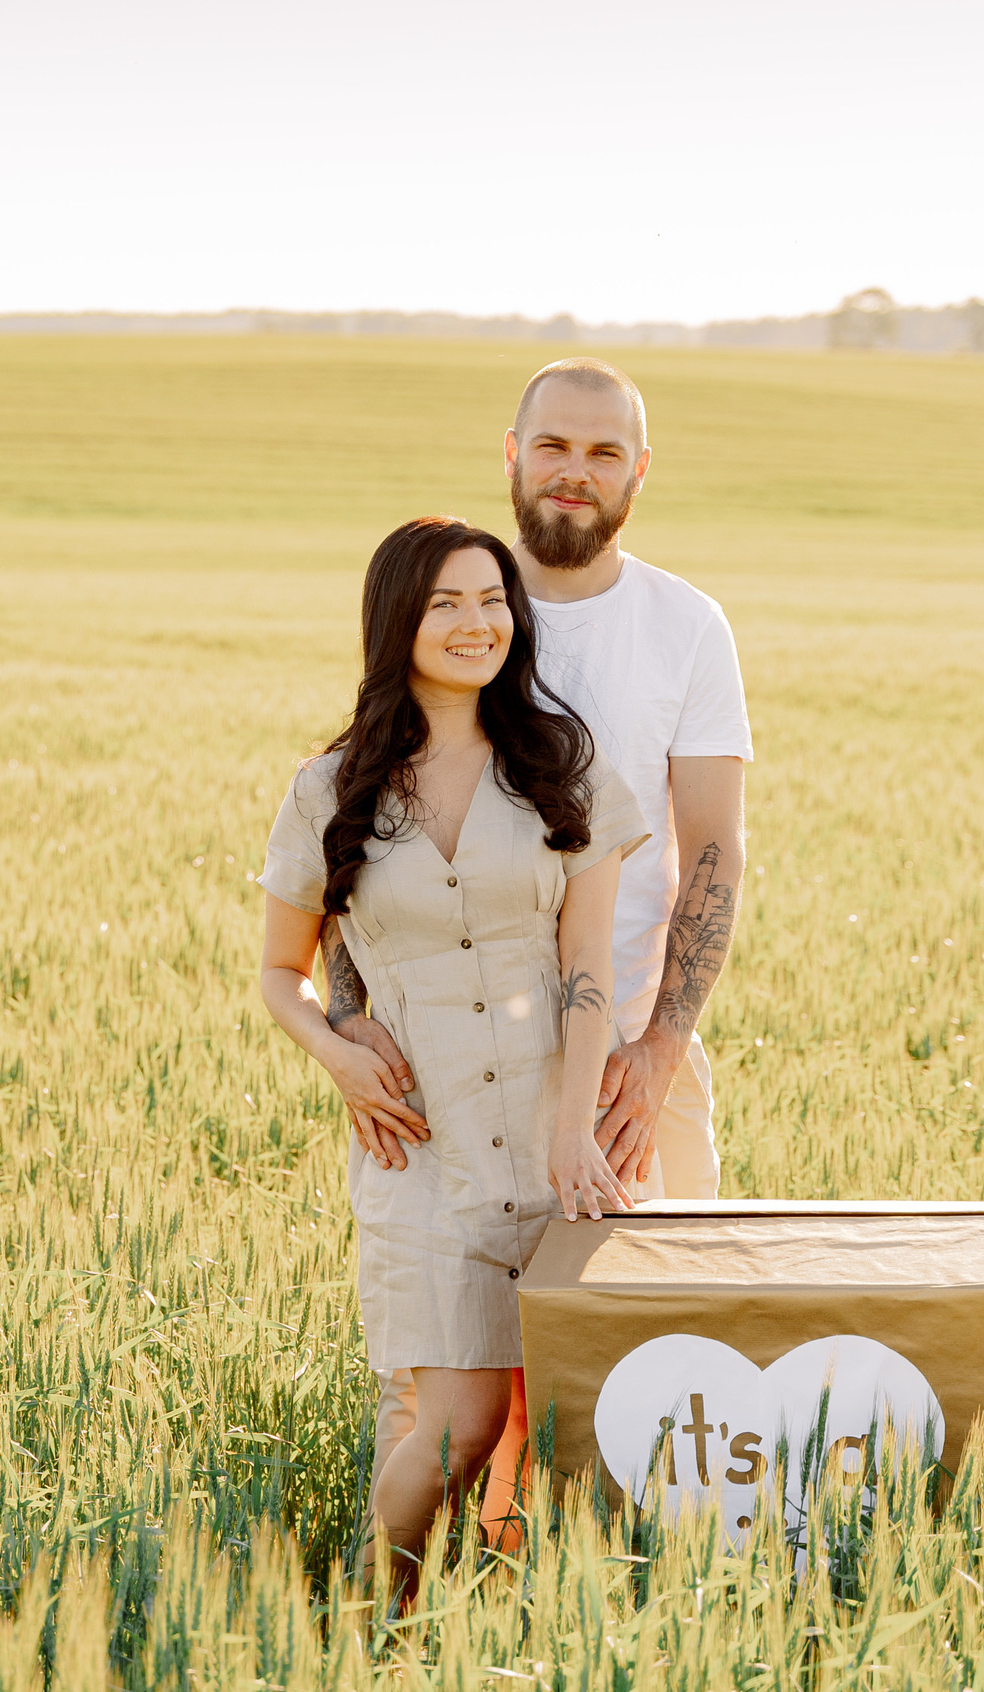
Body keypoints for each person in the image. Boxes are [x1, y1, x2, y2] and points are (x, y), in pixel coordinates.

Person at [322, 358, 754, 1484]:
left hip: (622, 1071)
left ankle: (606, 1629)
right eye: (554, 445)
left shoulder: (685, 626)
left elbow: (709, 846)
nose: (577, 471)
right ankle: (416, 1635)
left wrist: (659, 1048)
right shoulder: (454, 597)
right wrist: (352, 1026)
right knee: (444, 1395)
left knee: (655, 1376)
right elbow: (361, 821)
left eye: (604, 451)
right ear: (510, 455)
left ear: (639, 473)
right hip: (444, 1067)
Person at [257, 515, 649, 1584]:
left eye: (492, 601)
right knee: (457, 1424)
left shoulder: (558, 766)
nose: (477, 623)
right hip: (418, 1146)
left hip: (549, 1139)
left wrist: (575, 1132)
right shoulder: (329, 787)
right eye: (446, 603)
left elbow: (587, 972)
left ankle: (472, 1617)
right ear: (399, 621)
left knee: (572, 1423)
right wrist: (334, 1044)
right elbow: (276, 972)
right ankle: (371, 1613)